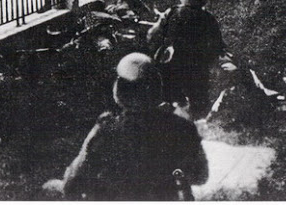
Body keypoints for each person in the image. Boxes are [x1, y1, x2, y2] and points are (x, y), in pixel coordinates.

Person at [47, 53, 208, 200]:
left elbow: (72, 183)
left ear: (120, 92)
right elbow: (200, 176)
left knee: (50, 188)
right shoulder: (182, 127)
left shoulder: (106, 129)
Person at [148, 0, 236, 119]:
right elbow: (217, 46)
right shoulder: (208, 18)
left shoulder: (172, 13)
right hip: (198, 69)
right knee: (199, 104)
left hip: (172, 68)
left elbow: (152, 36)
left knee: (170, 103)